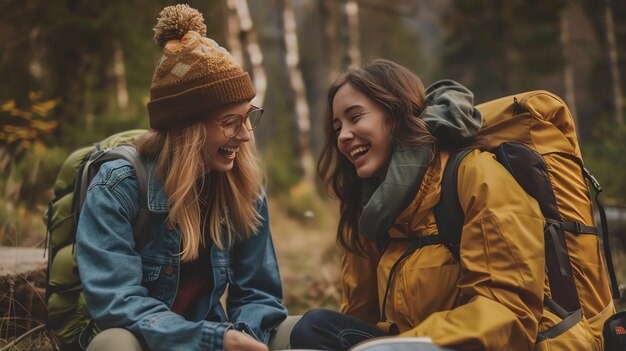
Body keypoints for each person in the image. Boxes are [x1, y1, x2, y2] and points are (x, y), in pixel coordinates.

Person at [290, 59, 546, 350]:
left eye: (355, 117)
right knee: (316, 328)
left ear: (396, 113)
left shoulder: (475, 176)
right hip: (409, 345)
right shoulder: (373, 207)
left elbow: (509, 312)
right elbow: (361, 315)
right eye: (337, 128)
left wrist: (410, 345)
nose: (343, 136)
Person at [76, 4, 287, 351]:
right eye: (230, 122)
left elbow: (259, 294)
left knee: (297, 330)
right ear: (188, 129)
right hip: (150, 341)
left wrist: (244, 337)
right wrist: (209, 340)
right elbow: (116, 303)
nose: (246, 135)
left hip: (220, 337)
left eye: (248, 117)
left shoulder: (243, 187)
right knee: (112, 344)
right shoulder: (118, 187)